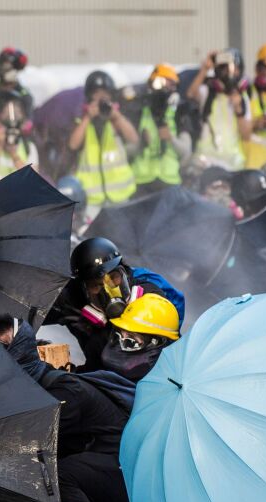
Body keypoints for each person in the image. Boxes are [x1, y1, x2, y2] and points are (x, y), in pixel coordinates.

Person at [100, 296, 266, 502]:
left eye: (131, 341)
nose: (122, 345)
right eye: (120, 337)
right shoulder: (147, 373)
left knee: (200, 456)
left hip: (193, 444)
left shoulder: (185, 379)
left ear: (157, 344)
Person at [0, 315, 158, 502]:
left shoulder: (62, 389)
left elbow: (40, 444)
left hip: (126, 471)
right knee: (21, 491)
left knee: (55, 477)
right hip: (98, 469)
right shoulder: (30, 389)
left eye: (1, 345)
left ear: (19, 350)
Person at [45, 237, 184, 373]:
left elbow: (123, 368)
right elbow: (34, 310)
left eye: (113, 278)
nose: (107, 289)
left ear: (124, 272)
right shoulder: (74, 300)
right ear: (83, 289)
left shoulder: (150, 299)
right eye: (95, 285)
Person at [69, 70, 138, 218]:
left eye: (104, 96)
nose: (101, 101)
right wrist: (88, 117)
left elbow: (133, 139)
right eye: (96, 96)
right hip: (93, 200)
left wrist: (116, 116)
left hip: (120, 197)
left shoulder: (115, 120)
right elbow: (73, 145)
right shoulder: (83, 121)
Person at [187, 48, 252, 172]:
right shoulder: (208, 92)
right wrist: (205, 69)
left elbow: (246, 135)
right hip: (206, 162)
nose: (229, 74)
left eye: (233, 69)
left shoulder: (243, 98)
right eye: (224, 69)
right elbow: (191, 94)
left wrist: (239, 109)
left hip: (233, 164)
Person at [131, 64, 191, 196]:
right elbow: (127, 150)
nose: (165, 88)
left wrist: (171, 139)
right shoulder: (139, 110)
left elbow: (186, 152)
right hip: (142, 182)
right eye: (161, 82)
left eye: (170, 84)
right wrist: (140, 142)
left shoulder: (179, 112)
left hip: (169, 182)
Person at [0, 89, 39, 192]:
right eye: (5, 113)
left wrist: (14, 155)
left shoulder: (29, 147)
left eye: (18, 113)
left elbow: (32, 182)